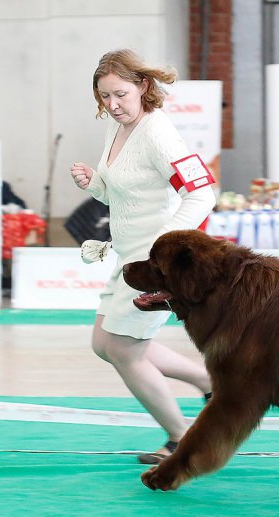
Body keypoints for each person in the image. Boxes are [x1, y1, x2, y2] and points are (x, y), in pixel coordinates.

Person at [69, 49, 216, 464]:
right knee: (105, 344)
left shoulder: (158, 133)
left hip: (154, 265)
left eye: (120, 94)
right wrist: (94, 183)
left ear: (144, 87)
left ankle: (184, 442)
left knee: (124, 350)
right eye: (104, 96)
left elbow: (202, 193)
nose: (112, 105)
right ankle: (211, 383)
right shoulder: (118, 131)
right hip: (128, 260)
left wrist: (165, 250)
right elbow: (123, 192)